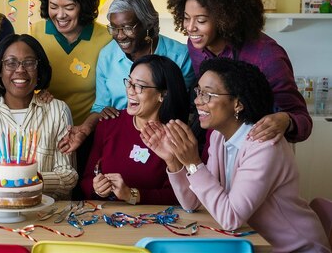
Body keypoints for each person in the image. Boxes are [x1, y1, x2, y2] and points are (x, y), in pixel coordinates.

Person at [140, 58, 330, 252]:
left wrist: (194, 162)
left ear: (238, 103)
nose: (197, 101)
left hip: (296, 248)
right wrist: (173, 160)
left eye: (207, 94)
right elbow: (193, 203)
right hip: (255, 244)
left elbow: (230, 218)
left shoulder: (264, 145)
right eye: (198, 92)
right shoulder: (218, 137)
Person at [167, 0, 311, 145]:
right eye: (186, 18)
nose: (190, 28)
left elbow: (303, 121)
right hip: (217, 146)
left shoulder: (267, 55)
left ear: (226, 19)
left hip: (259, 148)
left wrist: (285, 121)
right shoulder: (196, 46)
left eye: (201, 20)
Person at [60, 0, 194, 154]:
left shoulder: (180, 56)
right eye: (114, 28)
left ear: (148, 24)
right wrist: (90, 125)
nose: (120, 36)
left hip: (165, 140)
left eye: (127, 28)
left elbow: (179, 106)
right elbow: (101, 106)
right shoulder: (107, 55)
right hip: (118, 137)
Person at [0, 34, 77, 200]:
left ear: (39, 69)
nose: (20, 69)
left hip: (46, 214)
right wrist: (5, 184)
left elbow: (68, 176)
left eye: (29, 63)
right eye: (10, 63)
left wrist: (31, 181)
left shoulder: (57, 111)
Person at [81, 55, 189, 204]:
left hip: (155, 223)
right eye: (129, 82)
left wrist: (132, 195)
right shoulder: (108, 124)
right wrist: (96, 188)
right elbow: (86, 180)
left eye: (140, 86)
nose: (131, 91)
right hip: (105, 220)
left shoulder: (176, 135)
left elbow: (181, 197)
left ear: (162, 94)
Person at [30, 0, 111, 127]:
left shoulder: (107, 39)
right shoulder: (34, 33)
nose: (60, 15)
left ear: (84, 6)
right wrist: (36, 94)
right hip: (43, 129)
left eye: (69, 7)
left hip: (88, 130)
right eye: (54, 6)